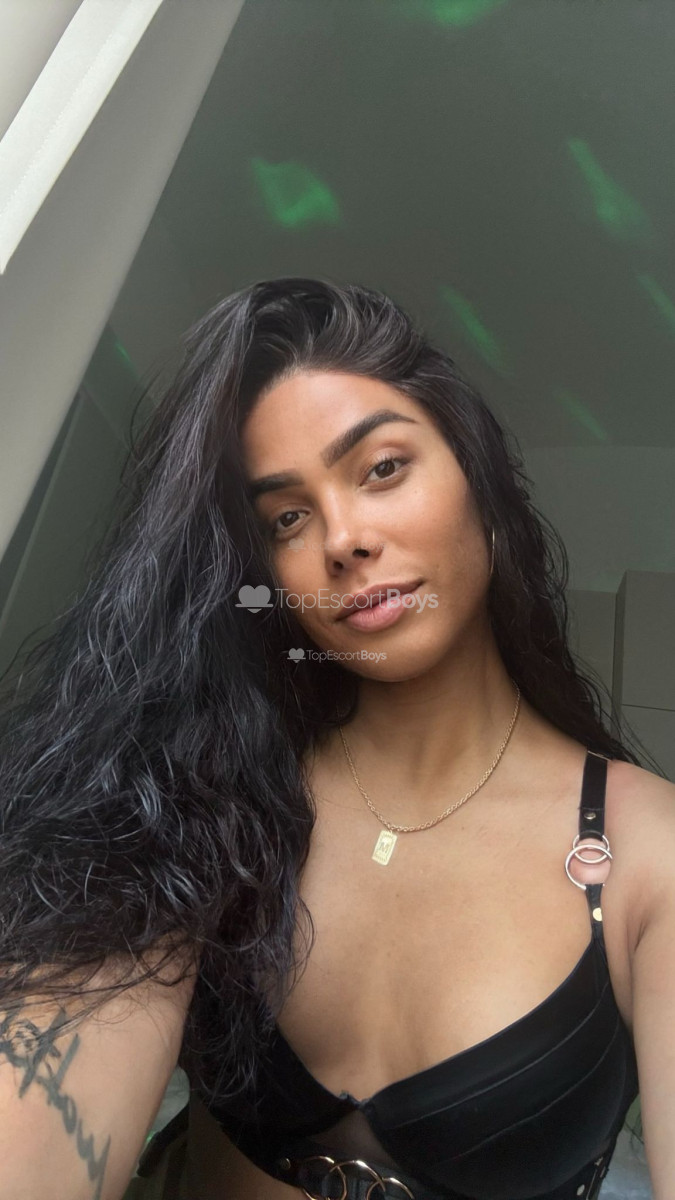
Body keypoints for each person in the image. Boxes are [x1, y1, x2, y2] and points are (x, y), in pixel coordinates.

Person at [0, 277, 672, 1200]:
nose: (342, 539)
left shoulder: (644, 850)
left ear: (482, 486)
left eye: (382, 468)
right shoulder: (217, 786)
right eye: (286, 517)